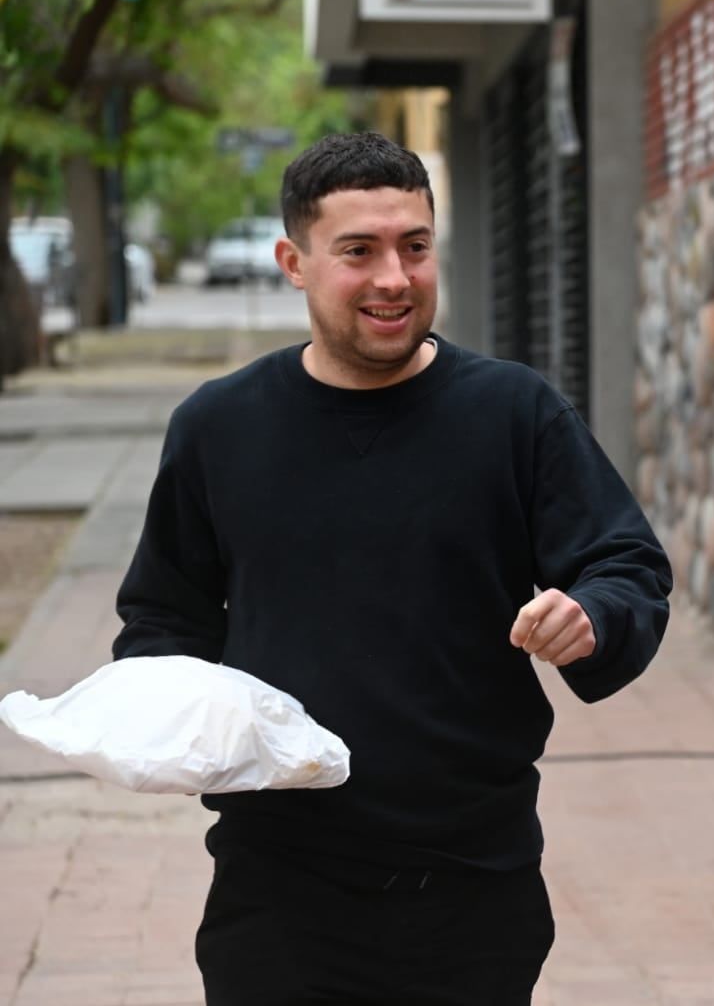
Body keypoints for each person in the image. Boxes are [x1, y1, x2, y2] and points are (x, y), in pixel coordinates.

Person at [112, 132, 672, 1004]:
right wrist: (170, 717)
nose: (394, 278)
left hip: (470, 878)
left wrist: (593, 615)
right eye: (358, 252)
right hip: (277, 883)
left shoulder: (512, 413)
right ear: (293, 262)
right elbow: (161, 624)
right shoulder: (219, 428)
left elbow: (626, 564)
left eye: (414, 246)